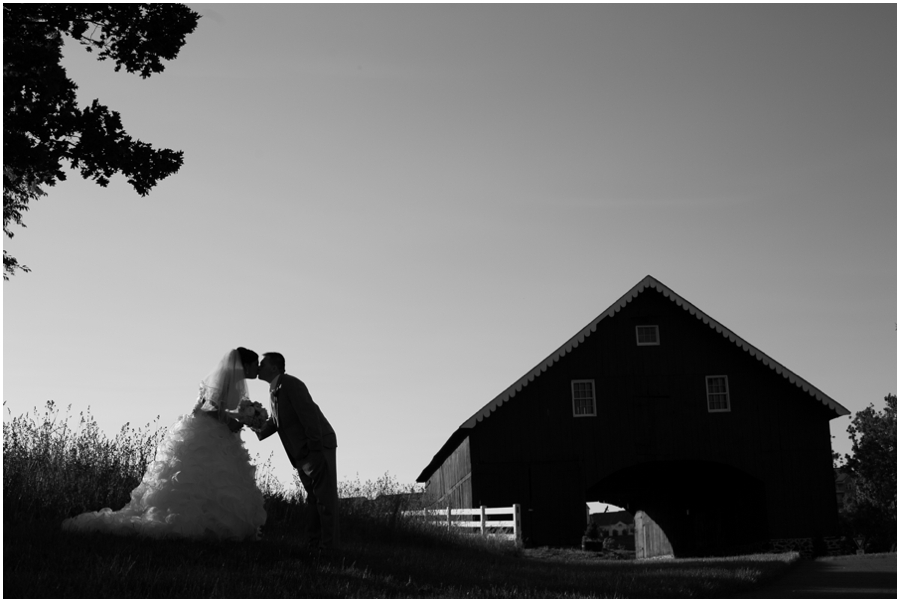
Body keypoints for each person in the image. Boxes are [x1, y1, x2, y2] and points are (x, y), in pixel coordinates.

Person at [62, 348, 267, 541]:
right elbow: (205, 411)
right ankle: (198, 523)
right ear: (244, 365)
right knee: (202, 476)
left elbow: (219, 412)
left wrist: (241, 418)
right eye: (254, 364)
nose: (256, 369)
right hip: (209, 435)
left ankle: (213, 523)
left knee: (215, 479)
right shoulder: (225, 384)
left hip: (219, 435)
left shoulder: (232, 384)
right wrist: (240, 419)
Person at [255, 352, 339, 549]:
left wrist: (315, 449)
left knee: (325, 500)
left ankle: (330, 548)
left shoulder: (291, 384)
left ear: (274, 368)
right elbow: (276, 422)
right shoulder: (274, 390)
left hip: (318, 447)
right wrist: (252, 422)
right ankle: (315, 544)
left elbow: (309, 415)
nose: (258, 367)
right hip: (303, 453)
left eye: (262, 364)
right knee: (313, 499)